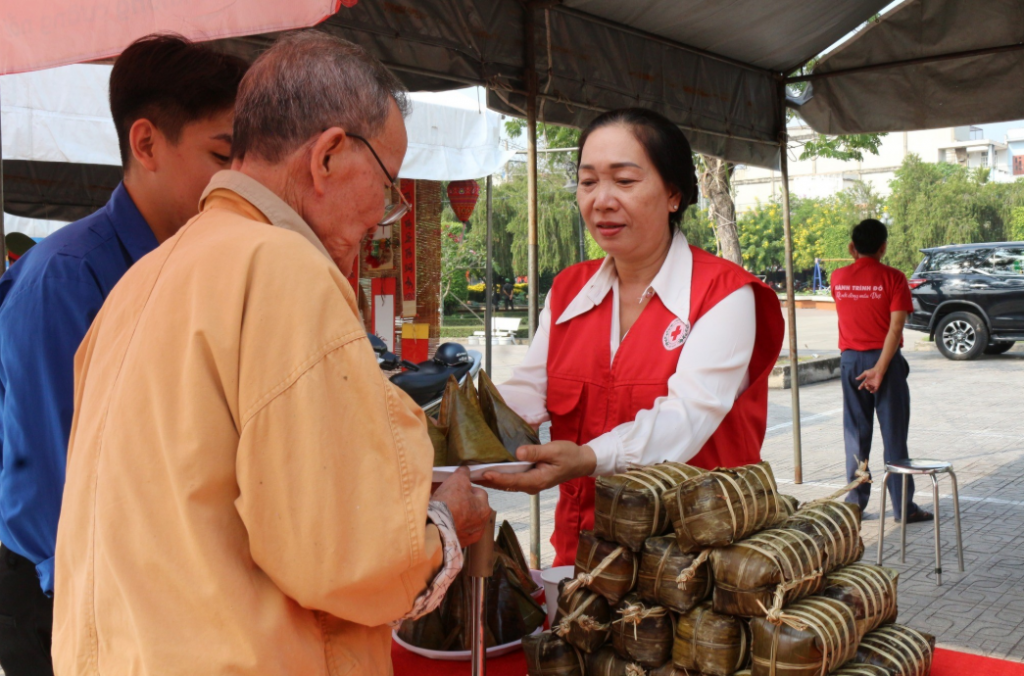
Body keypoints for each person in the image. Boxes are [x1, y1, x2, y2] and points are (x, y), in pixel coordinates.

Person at [52, 33, 490, 676]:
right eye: (389, 183)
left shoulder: (143, 278)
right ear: (331, 156)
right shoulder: (284, 269)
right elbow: (346, 555)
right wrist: (445, 524)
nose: (386, 214)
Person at [0, 35, 248, 676]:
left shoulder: (201, 267)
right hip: (62, 584)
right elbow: (59, 468)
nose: (239, 182)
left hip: (155, 580)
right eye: (222, 155)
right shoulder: (67, 277)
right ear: (146, 145)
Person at [483, 108, 784, 564]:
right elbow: (528, 388)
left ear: (673, 195)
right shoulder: (569, 290)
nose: (601, 200)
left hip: (692, 568)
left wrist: (586, 458)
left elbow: (685, 419)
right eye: (587, 182)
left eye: (624, 181)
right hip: (585, 552)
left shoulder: (724, 295)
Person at [830, 219, 930, 523]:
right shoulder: (894, 278)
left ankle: (855, 505)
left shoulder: (838, 277)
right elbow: (896, 327)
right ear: (883, 248)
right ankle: (903, 508)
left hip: (850, 363)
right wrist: (880, 370)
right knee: (894, 435)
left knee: (856, 436)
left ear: (852, 247)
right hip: (884, 362)